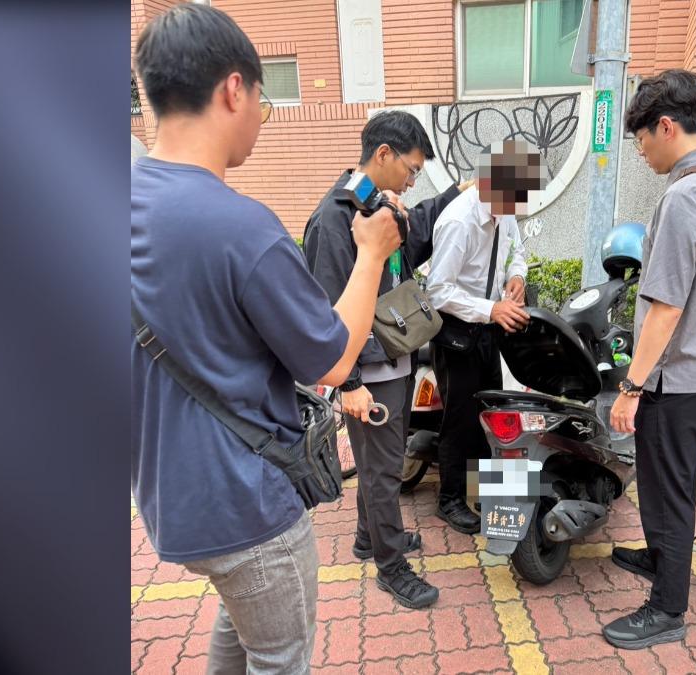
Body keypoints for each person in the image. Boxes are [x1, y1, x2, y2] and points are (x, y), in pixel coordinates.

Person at [131, 5, 402, 672]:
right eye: (264, 99)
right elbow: (331, 359)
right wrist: (372, 254)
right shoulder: (240, 227)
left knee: (244, 626)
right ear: (234, 89)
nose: (261, 116)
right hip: (247, 505)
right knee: (280, 656)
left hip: (169, 498)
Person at [302, 110, 473, 609]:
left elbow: (411, 243)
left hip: (392, 361)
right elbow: (327, 309)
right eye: (412, 169)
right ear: (383, 154)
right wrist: (349, 383)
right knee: (382, 473)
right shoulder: (335, 219)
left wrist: (452, 194)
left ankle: (368, 537)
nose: (413, 180)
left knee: (383, 464)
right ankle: (392, 567)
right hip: (368, 374)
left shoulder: (375, 205)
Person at [601, 69, 696, 649]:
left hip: (677, 376)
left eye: (641, 139)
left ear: (665, 126)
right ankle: (662, 557)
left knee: (668, 489)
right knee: (670, 483)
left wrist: (631, 388)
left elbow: (665, 307)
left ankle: (666, 609)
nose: (640, 151)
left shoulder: (684, 196)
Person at [425, 140, 539, 535]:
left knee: (493, 414)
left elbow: (517, 251)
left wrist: (517, 276)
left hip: (489, 328)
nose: (516, 207)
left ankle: (492, 495)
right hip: (456, 333)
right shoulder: (459, 221)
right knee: (460, 420)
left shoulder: (503, 211)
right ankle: (450, 500)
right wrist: (491, 309)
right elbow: (437, 291)